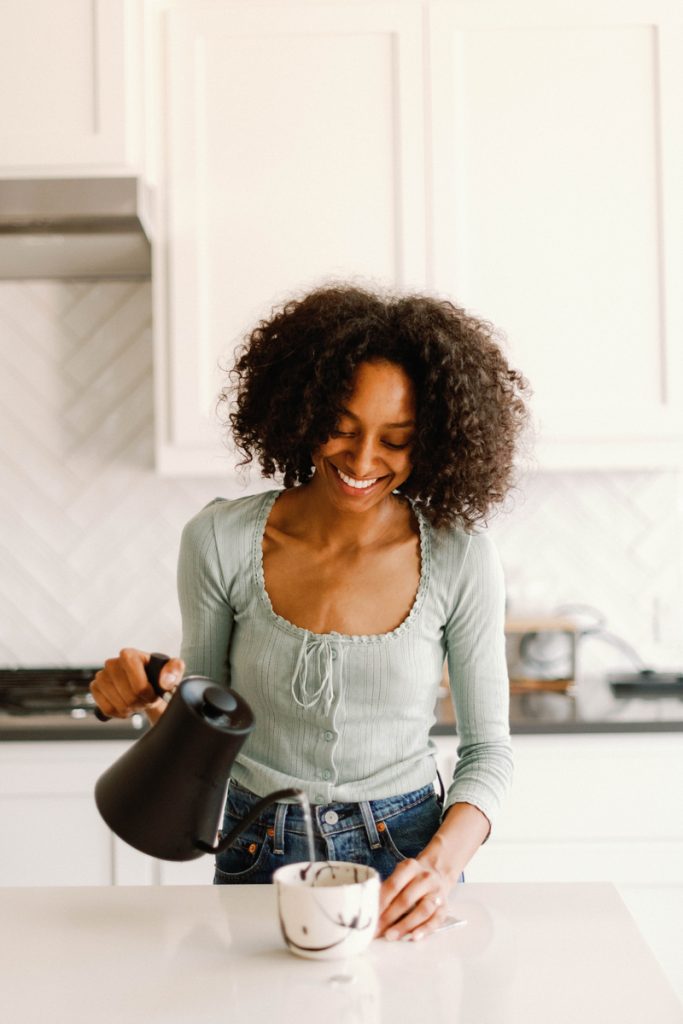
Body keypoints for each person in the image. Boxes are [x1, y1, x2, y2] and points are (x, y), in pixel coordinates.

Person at [91, 284, 529, 942]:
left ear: (433, 441)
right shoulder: (220, 541)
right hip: (255, 851)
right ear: (302, 411)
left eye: (395, 440)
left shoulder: (461, 558)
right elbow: (204, 723)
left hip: (406, 860)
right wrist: (146, 693)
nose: (360, 461)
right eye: (342, 428)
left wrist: (440, 865)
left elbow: (488, 752)